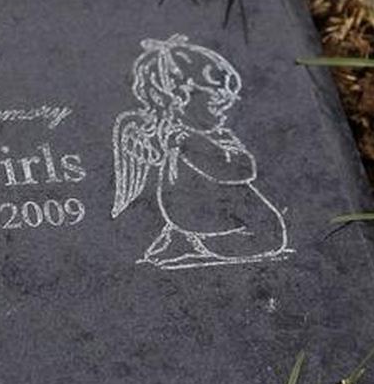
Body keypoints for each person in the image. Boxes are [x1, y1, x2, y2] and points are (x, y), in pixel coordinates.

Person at [111, 35, 290, 269]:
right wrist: (232, 155)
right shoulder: (188, 139)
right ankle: (195, 241)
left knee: (267, 231)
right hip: (210, 213)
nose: (226, 108)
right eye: (217, 101)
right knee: (269, 238)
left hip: (204, 209)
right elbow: (235, 170)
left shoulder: (195, 134)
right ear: (181, 96)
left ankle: (183, 236)